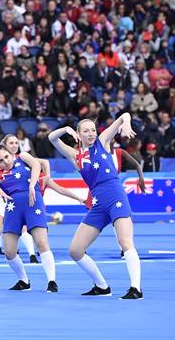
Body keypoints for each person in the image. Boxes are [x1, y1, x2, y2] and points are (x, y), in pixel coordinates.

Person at [48, 114, 144, 299]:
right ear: (78, 134)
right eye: (86, 131)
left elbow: (124, 115)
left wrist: (126, 123)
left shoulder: (102, 141)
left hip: (116, 196)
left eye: (93, 130)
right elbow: (52, 138)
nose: (91, 134)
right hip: (98, 204)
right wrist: (65, 130)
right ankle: (101, 286)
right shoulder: (75, 155)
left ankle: (136, 289)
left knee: (125, 243)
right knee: (75, 251)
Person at [0, 145, 58, 292]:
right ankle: (24, 281)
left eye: (7, 157)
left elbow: (36, 164)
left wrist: (32, 186)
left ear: (11, 154)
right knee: (9, 251)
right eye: (0, 160)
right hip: (13, 209)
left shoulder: (22, 157)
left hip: (33, 202)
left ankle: (52, 281)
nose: (5, 162)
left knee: (41, 242)